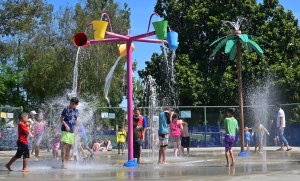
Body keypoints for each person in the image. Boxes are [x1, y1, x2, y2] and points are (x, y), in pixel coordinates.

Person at [60, 97, 79, 169]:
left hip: (72, 131)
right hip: (65, 130)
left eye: (73, 104)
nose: (71, 104)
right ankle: (63, 163)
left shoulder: (76, 111)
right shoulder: (66, 109)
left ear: (76, 104)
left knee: (69, 147)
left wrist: (76, 128)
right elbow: (61, 119)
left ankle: (66, 163)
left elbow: (76, 120)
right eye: (71, 102)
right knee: (64, 146)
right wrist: (66, 125)